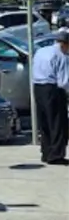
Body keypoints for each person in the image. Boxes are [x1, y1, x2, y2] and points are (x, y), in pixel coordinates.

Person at [30, 30, 69, 164]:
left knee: (44, 122)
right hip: (53, 89)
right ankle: (56, 155)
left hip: (38, 87)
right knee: (57, 123)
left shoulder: (41, 51)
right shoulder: (61, 56)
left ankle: (46, 153)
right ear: (65, 44)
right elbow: (63, 81)